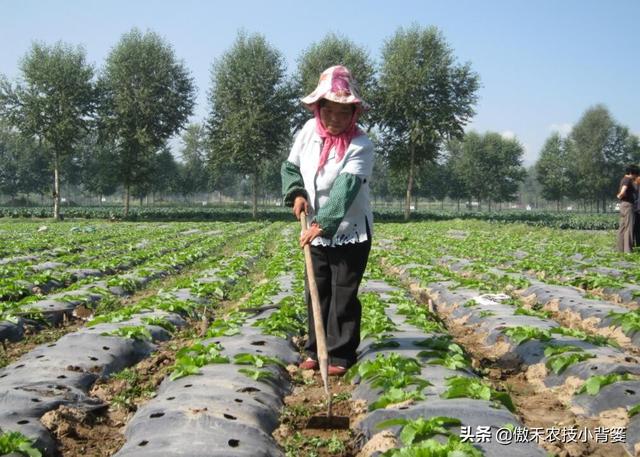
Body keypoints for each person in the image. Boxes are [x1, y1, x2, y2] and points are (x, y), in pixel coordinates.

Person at [281, 65, 374, 376]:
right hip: (315, 226)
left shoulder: (361, 145)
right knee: (316, 288)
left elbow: (345, 190)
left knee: (343, 291)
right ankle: (315, 349)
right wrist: (297, 195)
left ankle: (340, 354)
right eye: (329, 111)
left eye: (343, 112)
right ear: (318, 109)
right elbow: (291, 167)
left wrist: (321, 225)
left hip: (350, 230)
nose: (335, 118)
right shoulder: (308, 132)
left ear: (354, 113)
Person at [616, 164, 640, 253]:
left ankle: (620, 249)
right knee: (629, 228)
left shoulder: (623, 179)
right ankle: (628, 250)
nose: (636, 176)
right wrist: (620, 195)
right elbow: (623, 191)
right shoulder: (628, 179)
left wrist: (621, 196)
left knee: (622, 227)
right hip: (628, 205)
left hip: (623, 205)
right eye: (636, 174)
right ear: (631, 173)